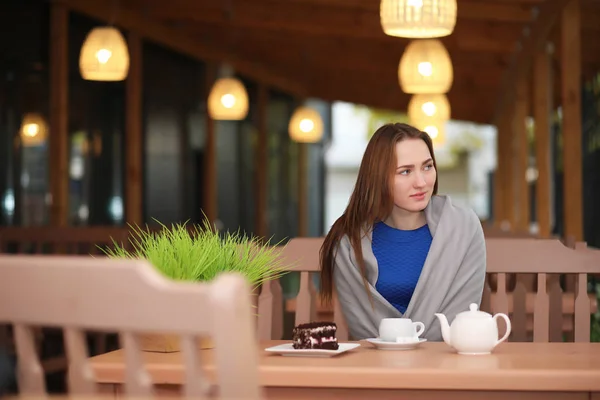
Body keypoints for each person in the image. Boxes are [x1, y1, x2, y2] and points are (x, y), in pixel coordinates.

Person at [319, 122, 486, 341]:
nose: (421, 182)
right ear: (378, 178)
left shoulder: (463, 228)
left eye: (427, 166)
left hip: (445, 364)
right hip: (376, 366)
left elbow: (460, 317)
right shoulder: (349, 243)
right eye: (405, 171)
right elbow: (362, 327)